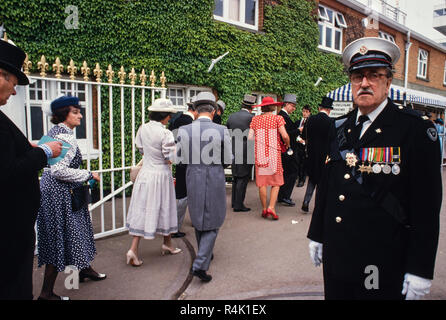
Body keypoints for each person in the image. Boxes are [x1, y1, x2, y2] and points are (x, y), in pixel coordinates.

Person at [307, 37, 442, 300]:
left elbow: (426, 207)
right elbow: (329, 186)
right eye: (358, 76)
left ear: (388, 81)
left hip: (383, 258)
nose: (365, 83)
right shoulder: (339, 127)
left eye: (373, 75)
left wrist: (420, 268)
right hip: (337, 255)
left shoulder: (414, 130)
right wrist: (317, 234)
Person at [0, 39, 62, 300]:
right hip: (8, 232)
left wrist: (30, 149)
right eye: (13, 83)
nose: (14, 92)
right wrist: (44, 152)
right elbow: (7, 172)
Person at [36, 95, 105, 300]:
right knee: (62, 237)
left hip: (56, 191)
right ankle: (46, 293)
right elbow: (58, 170)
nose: (81, 116)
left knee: (76, 231)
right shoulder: (64, 137)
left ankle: (84, 269)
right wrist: (88, 174)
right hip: (60, 194)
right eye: (75, 112)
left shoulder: (53, 133)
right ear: (63, 115)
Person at [176, 92, 232, 282]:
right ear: (214, 111)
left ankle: (204, 254)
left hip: (192, 175)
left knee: (199, 215)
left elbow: (179, 159)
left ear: (196, 110)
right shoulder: (221, 130)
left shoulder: (184, 130)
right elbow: (229, 158)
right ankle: (200, 263)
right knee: (214, 218)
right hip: (214, 175)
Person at [126, 98, 181, 267]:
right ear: (165, 116)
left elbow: (141, 148)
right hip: (161, 175)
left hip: (146, 174)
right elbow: (171, 158)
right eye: (169, 115)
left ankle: (135, 248)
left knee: (143, 208)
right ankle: (166, 244)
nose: (170, 118)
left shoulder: (143, 129)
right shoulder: (166, 133)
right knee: (165, 207)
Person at [248, 97, 290, 220]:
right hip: (274, 153)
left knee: (263, 183)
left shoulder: (255, 119)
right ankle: (271, 207)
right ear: (272, 107)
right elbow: (285, 135)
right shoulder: (278, 118)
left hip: (261, 153)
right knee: (275, 182)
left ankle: (264, 209)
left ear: (262, 107)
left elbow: (250, 138)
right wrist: (287, 144)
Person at [169, 100, 198, 238]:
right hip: (189, 162)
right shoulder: (190, 124)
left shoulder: (176, 120)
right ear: (195, 111)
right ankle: (175, 227)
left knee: (182, 194)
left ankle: (187, 222)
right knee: (185, 196)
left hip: (178, 161)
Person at [301, 97, 334, 213]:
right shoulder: (331, 122)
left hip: (311, 153)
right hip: (324, 155)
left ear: (319, 108)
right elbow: (332, 140)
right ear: (329, 110)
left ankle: (306, 201)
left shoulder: (310, 119)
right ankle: (318, 206)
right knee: (321, 180)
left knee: (312, 178)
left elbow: (304, 136)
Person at [226, 94, 257, 212]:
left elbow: (228, 132)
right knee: (243, 178)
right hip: (246, 151)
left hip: (234, 149)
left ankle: (234, 202)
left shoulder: (232, 116)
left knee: (236, 177)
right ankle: (239, 205)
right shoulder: (252, 118)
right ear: (252, 107)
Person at [277, 93, 300, 206]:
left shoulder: (282, 115)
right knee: (291, 172)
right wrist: (299, 130)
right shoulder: (283, 116)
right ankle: (285, 196)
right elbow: (286, 134)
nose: (294, 108)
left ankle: (282, 195)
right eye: (292, 106)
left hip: (284, 150)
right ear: (286, 104)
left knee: (286, 172)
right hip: (287, 150)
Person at [296, 105, 311, 187]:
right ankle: (298, 177)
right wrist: (297, 139)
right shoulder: (298, 122)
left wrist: (305, 141)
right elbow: (294, 132)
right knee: (297, 162)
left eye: (306, 112)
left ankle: (302, 180)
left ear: (309, 113)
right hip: (298, 144)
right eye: (303, 111)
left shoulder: (310, 122)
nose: (304, 113)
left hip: (305, 145)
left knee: (303, 163)